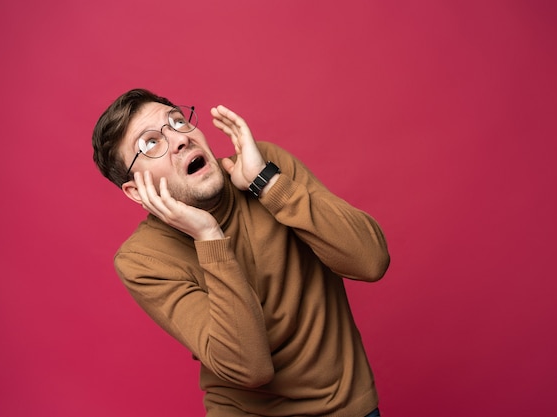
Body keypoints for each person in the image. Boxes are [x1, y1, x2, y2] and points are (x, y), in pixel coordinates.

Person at [92, 88, 390, 417]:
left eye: (177, 121)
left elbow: (371, 261)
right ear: (136, 189)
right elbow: (251, 369)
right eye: (150, 143)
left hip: (345, 406)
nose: (180, 139)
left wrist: (267, 183)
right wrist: (208, 237)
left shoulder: (266, 167)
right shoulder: (141, 260)